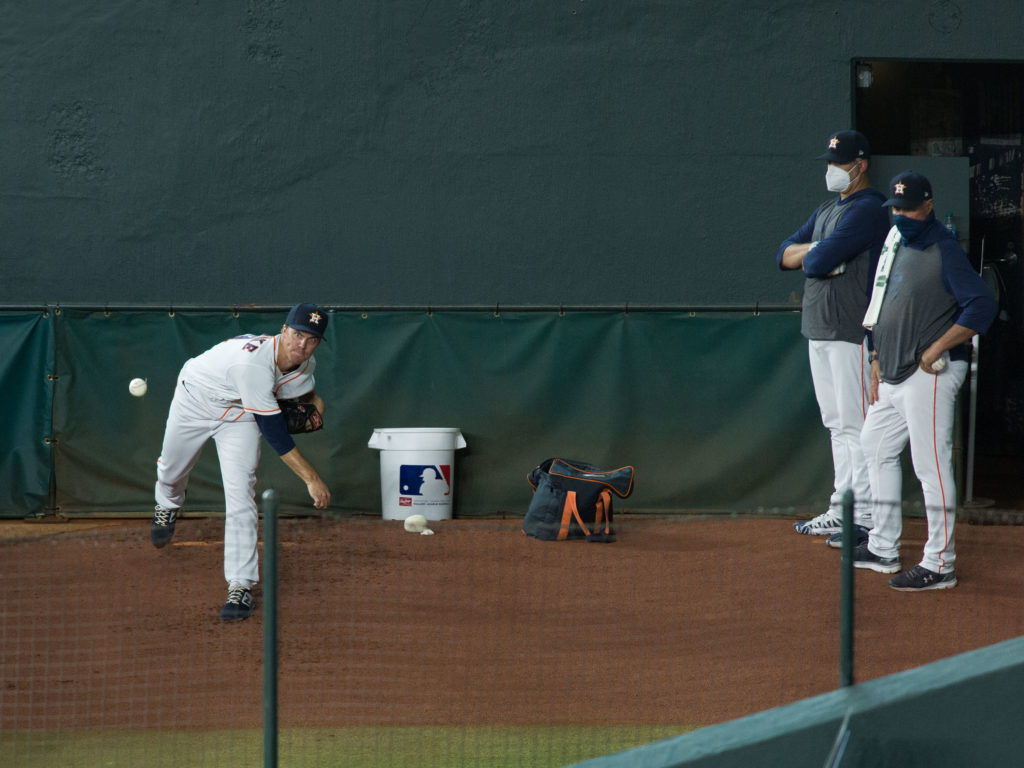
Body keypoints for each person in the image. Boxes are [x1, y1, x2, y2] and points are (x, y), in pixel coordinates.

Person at [855, 172, 997, 590]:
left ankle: (940, 563)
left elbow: (981, 306)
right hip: (895, 368)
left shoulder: (944, 248)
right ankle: (882, 546)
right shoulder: (894, 242)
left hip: (929, 374)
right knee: (874, 446)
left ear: (928, 206)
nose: (900, 215)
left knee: (930, 466)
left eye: (908, 207)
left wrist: (936, 349)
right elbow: (881, 301)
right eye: (895, 209)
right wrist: (877, 354)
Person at [150, 303, 332, 620]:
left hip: (240, 417)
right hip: (195, 399)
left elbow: (307, 401)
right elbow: (275, 433)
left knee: (241, 495)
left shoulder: (305, 365)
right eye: (298, 334)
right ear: (284, 330)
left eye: (312, 339)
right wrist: (311, 479)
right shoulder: (254, 364)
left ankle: (240, 586)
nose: (302, 345)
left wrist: (317, 408)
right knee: (171, 471)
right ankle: (167, 503)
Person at [777, 130, 890, 544]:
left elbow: (813, 259)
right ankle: (843, 507)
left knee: (856, 425)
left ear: (859, 166)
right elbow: (783, 254)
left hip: (850, 329)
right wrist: (817, 251)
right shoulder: (828, 209)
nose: (831, 169)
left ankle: (862, 515)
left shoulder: (870, 208)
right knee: (836, 424)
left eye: (838, 163)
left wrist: (815, 253)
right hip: (819, 328)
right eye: (829, 161)